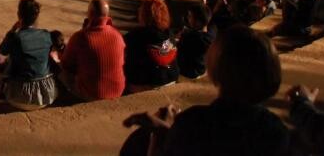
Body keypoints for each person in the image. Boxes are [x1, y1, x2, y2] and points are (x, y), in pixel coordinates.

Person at [121, 25, 289, 156]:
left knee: (138, 143)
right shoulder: (276, 132)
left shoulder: (194, 124)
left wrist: (157, 136)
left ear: (216, 68)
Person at [0, 0, 58, 110]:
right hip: (47, 96)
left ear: (19, 15)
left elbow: (2, 50)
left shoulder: (16, 37)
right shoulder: (46, 35)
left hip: (19, 97)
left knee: (8, 61)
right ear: (37, 16)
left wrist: (12, 31)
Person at [60, 0, 126, 100]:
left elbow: (66, 64)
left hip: (93, 94)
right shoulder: (117, 35)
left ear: (90, 13)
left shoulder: (81, 37)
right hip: (117, 91)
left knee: (61, 71)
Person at [123, 0, 179, 92]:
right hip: (170, 79)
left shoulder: (134, 36)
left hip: (145, 84)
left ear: (143, 15)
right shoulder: (170, 34)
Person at [176, 4, 214, 79]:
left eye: (190, 16)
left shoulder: (190, 37)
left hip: (189, 71)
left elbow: (179, 49)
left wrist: (180, 38)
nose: (188, 18)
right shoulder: (211, 34)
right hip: (201, 68)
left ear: (198, 22)